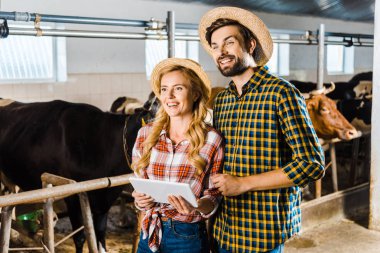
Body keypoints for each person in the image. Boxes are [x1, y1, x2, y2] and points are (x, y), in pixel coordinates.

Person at [198, 6, 326, 253]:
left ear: (251, 45)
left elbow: (312, 164)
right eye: (215, 46)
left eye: (229, 42)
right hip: (224, 227)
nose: (221, 52)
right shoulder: (223, 100)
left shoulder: (281, 93)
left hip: (261, 232)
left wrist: (244, 184)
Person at [131, 58, 224, 253]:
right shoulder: (145, 134)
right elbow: (140, 187)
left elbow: (214, 197)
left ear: (196, 94)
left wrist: (197, 205)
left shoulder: (211, 139)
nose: (169, 96)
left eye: (178, 88)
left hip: (186, 236)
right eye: (164, 89)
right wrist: (139, 200)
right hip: (149, 232)